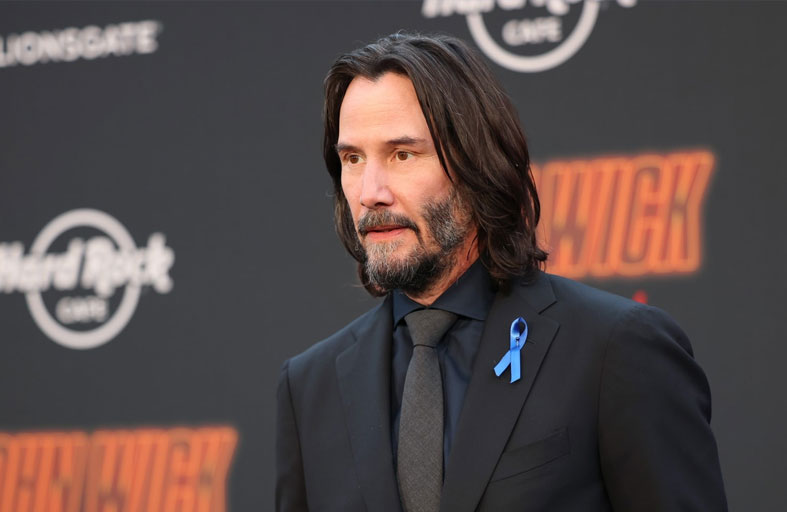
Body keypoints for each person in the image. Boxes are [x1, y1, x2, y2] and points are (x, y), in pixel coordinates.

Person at [276, 32, 727, 512]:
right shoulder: (310, 387)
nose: (370, 192)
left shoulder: (615, 349)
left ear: (475, 163)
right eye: (353, 159)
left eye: (402, 154)